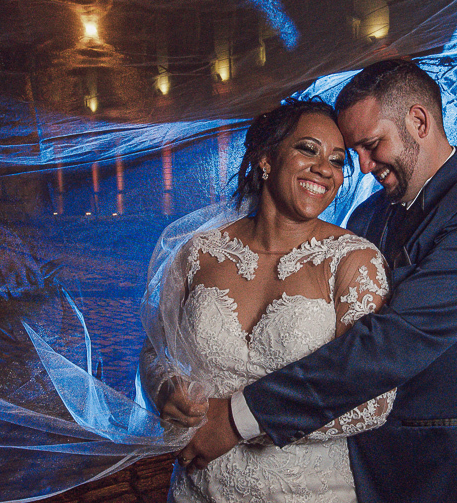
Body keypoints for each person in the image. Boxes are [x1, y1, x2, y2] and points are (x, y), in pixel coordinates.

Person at [179, 58, 457, 502]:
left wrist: (238, 418)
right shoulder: (366, 218)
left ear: (418, 121)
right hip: (365, 473)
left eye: (371, 145)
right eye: (356, 154)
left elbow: (394, 340)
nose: (363, 168)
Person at [142, 99, 397, 502]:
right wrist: (166, 390)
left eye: (336, 160)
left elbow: (374, 399)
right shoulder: (198, 253)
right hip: (198, 487)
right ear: (265, 158)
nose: (324, 169)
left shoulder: (353, 262)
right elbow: (156, 350)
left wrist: (239, 422)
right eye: (308, 149)